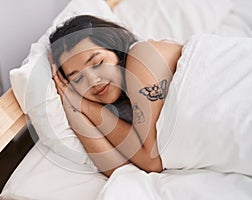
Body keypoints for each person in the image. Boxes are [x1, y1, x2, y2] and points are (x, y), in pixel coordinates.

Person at [49, 15, 182, 177]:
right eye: (78, 78)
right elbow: (122, 171)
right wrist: (72, 109)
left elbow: (152, 161)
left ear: (116, 49)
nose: (93, 80)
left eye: (98, 63)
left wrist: (87, 108)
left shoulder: (142, 55)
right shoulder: (115, 110)